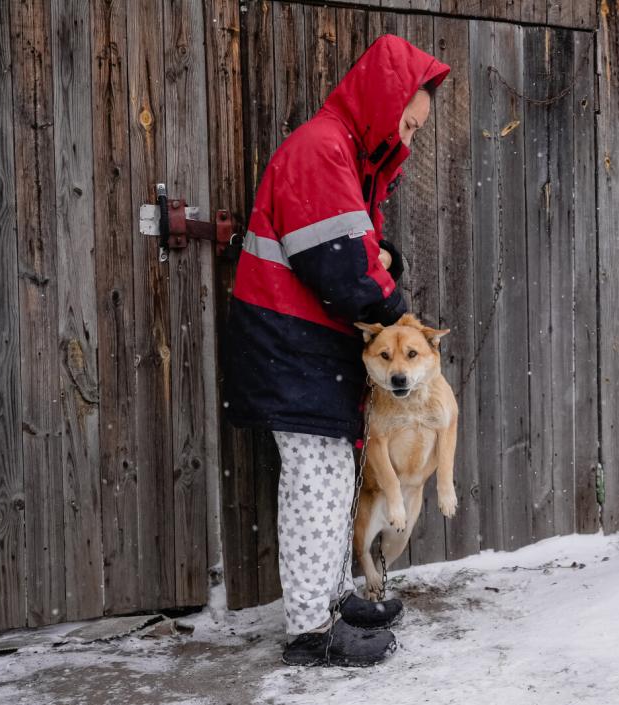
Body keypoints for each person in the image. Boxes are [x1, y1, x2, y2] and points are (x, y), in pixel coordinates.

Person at [222, 34, 450, 667]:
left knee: (331, 484)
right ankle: (310, 631)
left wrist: (381, 262)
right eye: (406, 122)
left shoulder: (342, 157)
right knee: (314, 488)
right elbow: (346, 269)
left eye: (415, 129)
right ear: (383, 103)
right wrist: (392, 301)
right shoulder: (321, 152)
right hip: (290, 348)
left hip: (304, 349)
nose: (407, 140)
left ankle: (334, 597)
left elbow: (364, 253)